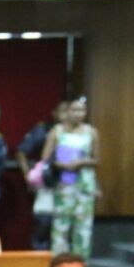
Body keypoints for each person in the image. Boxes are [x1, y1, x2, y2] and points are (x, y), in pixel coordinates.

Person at [41, 96, 99, 257]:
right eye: (74, 109)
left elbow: (96, 159)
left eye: (82, 110)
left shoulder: (91, 132)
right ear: (67, 112)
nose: (78, 113)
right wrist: (61, 164)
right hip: (63, 183)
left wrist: (82, 161)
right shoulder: (57, 131)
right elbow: (45, 158)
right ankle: (60, 263)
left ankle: (81, 263)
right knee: (61, 225)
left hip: (84, 185)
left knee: (83, 226)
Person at [17, 101, 67, 251]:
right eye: (63, 111)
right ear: (55, 113)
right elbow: (21, 152)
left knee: (64, 226)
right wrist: (28, 175)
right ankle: (40, 261)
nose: (67, 115)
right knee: (44, 223)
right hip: (46, 182)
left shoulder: (80, 133)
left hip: (69, 184)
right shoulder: (43, 130)